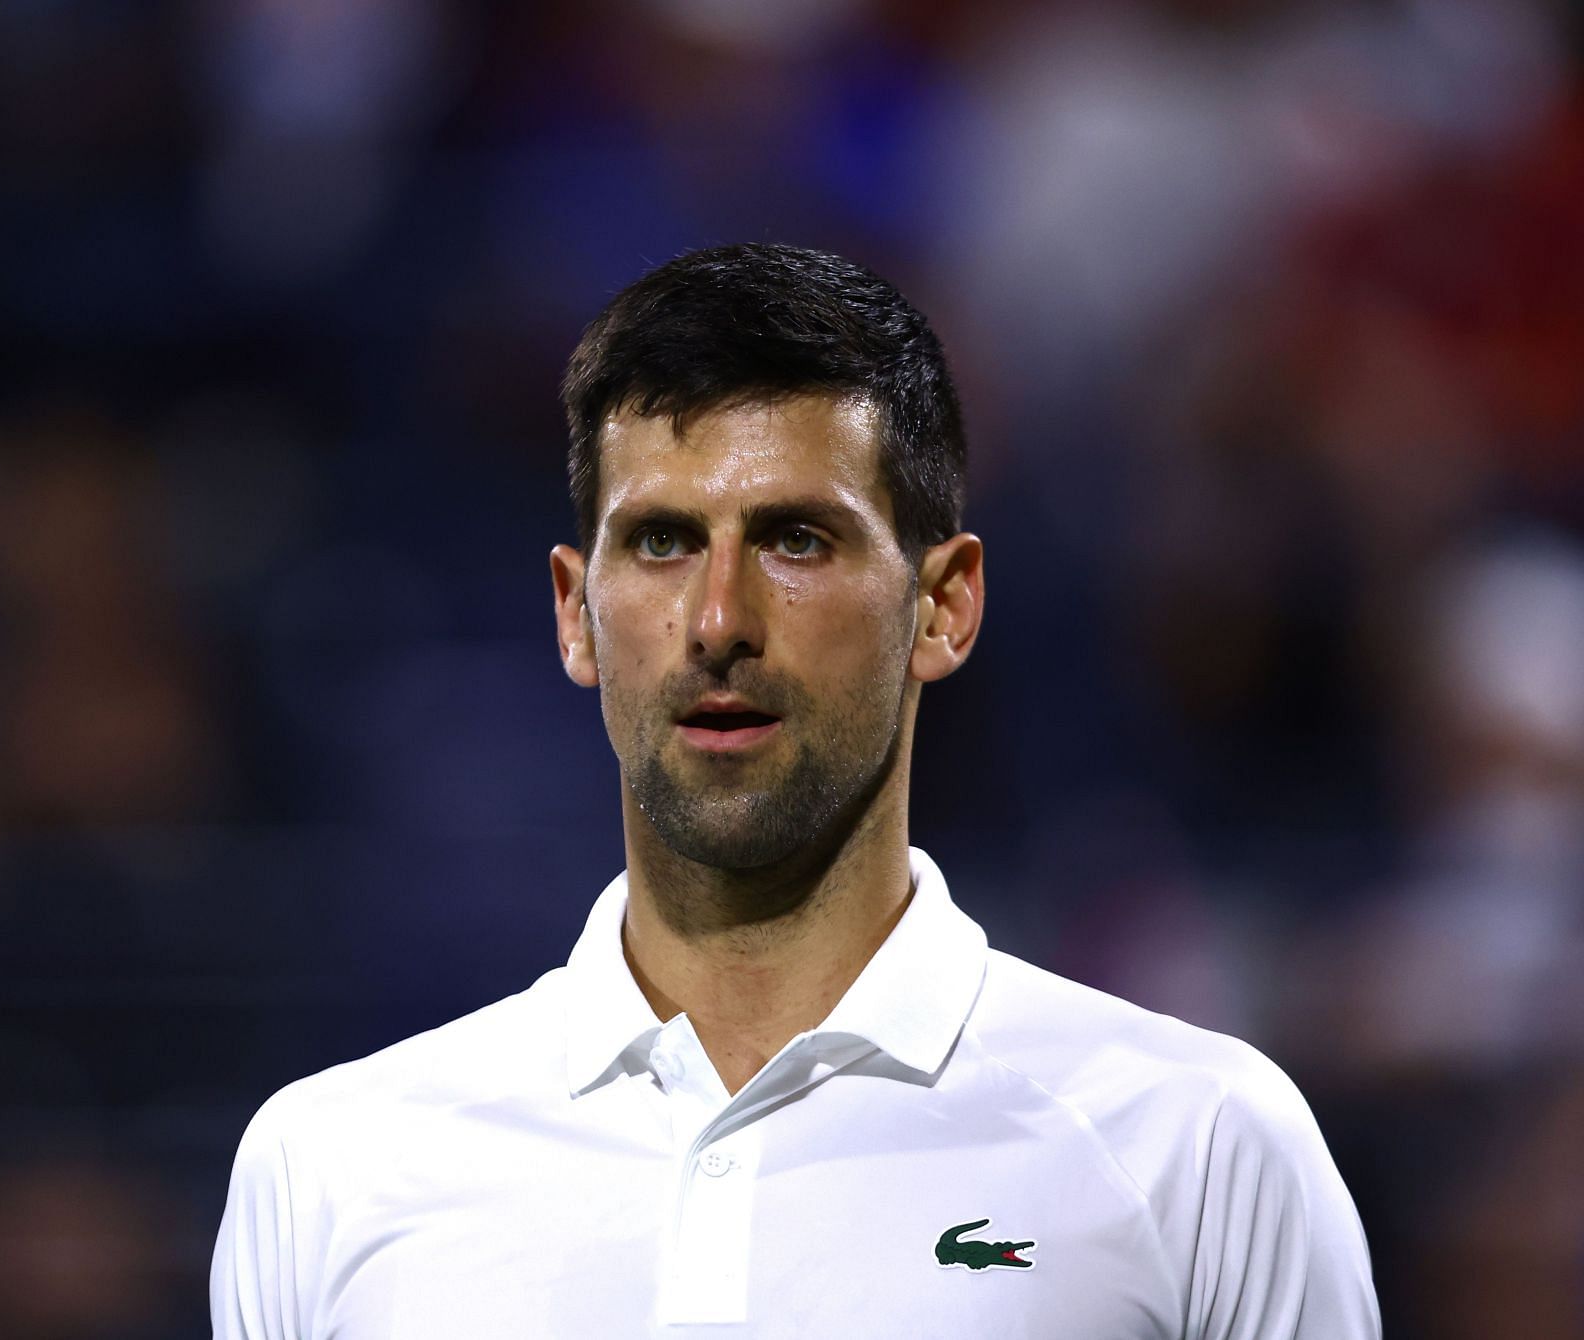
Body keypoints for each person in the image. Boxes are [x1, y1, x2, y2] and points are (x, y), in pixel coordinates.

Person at [210, 244, 1380, 1338]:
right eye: (663, 541)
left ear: (945, 604)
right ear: (576, 611)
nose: (720, 621)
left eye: (798, 540)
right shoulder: (329, 1169)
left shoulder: (1201, 1146)